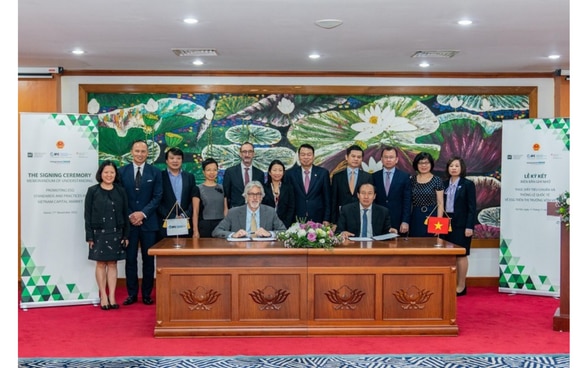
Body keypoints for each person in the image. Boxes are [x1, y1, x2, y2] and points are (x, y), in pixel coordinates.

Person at [119, 140, 163, 306]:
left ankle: (146, 294)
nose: (140, 154)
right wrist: (131, 214)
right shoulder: (121, 172)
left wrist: (142, 214)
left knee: (148, 260)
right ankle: (131, 294)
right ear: (131, 152)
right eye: (137, 151)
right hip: (129, 223)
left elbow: (158, 196)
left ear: (147, 153)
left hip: (149, 223)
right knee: (130, 259)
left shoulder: (155, 172)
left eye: (143, 151)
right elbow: (120, 196)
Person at [84, 160, 130, 310]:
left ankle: (112, 296)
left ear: (115, 174)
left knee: (113, 264)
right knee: (100, 263)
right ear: (100, 174)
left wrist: (126, 235)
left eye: (112, 172)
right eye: (106, 172)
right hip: (98, 234)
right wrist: (89, 236)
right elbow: (87, 215)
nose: (109, 175)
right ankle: (103, 295)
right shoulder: (93, 191)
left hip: (116, 232)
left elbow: (125, 213)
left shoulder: (121, 191)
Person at [440, 157, 477, 296]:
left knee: (461, 255)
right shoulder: (443, 184)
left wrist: (469, 227)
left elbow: (472, 207)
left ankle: (461, 286)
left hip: (461, 224)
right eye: (451, 166)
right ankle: (451, 284)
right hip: (445, 223)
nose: (453, 168)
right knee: (447, 255)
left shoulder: (468, 184)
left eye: (456, 166)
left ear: (462, 168)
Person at [212, 181, 286, 238]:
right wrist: (233, 234)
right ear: (246, 197)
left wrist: (269, 233)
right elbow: (216, 231)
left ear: (262, 197)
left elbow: (284, 231)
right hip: (240, 251)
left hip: (263, 251)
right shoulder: (233, 212)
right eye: (251, 194)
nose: (255, 197)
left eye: (258, 194)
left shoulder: (270, 212)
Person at [157, 147, 199, 239]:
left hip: (185, 222)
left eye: (178, 158)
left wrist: (184, 215)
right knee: (166, 251)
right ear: (167, 161)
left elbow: (193, 200)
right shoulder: (160, 176)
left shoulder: (189, 177)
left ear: (182, 160)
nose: (175, 161)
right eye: (172, 158)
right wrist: (172, 216)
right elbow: (157, 200)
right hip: (166, 222)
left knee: (185, 251)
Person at [285, 143, 332, 225]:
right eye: (303, 155)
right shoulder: (290, 174)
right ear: (299, 157)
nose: (306, 157)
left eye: (309, 154)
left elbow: (327, 198)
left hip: (318, 219)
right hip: (296, 219)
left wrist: (326, 218)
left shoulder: (323, 173)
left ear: (313, 156)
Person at [373, 146, 411, 235]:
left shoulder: (404, 177)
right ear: (381, 159)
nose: (388, 160)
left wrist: (405, 221)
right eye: (386, 157)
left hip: (398, 220)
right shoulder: (374, 176)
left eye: (391, 157)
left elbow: (407, 200)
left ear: (396, 159)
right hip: (378, 219)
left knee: (398, 247)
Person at [330, 144, 373, 225]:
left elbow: (371, 200)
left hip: (361, 218)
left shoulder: (367, 177)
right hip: (341, 218)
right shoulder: (337, 177)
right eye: (353, 156)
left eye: (359, 157)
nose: (356, 159)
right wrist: (333, 221)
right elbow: (334, 200)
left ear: (362, 159)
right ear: (346, 157)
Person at [409, 152, 444, 237]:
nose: (423, 165)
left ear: (431, 164)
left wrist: (439, 224)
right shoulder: (411, 180)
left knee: (431, 244)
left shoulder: (437, 180)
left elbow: (440, 203)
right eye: (420, 163)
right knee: (415, 243)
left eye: (426, 163)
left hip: (432, 215)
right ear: (416, 165)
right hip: (415, 216)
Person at [223, 142, 264, 209]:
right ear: (240, 154)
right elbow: (226, 195)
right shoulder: (230, 172)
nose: (247, 154)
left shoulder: (260, 174)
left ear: (253, 154)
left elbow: (261, 195)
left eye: (250, 152)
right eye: (244, 152)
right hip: (236, 211)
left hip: (254, 210)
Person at [194, 158, 228, 238]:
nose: (212, 173)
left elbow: (225, 209)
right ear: (203, 172)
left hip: (221, 225)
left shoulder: (223, 188)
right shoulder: (198, 189)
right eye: (208, 170)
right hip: (205, 226)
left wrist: (227, 226)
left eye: (214, 170)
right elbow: (195, 212)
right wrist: (195, 231)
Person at [262, 159, 296, 228]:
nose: (277, 173)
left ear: (283, 172)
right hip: (266, 224)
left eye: (280, 170)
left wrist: (286, 224)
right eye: (274, 170)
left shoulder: (288, 188)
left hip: (285, 224)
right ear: (269, 172)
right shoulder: (263, 188)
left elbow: (291, 207)